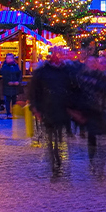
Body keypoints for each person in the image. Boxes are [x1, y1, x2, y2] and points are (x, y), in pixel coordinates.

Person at [28, 48, 75, 178]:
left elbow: (73, 89)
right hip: (47, 108)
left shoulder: (67, 71)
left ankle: (57, 158)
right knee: (50, 136)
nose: (57, 57)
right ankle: (54, 160)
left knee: (58, 135)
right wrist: (35, 107)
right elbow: (34, 91)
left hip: (61, 108)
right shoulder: (42, 72)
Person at [76, 56, 106, 178]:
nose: (93, 65)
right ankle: (93, 162)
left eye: (94, 62)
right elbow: (78, 93)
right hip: (89, 112)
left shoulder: (102, 76)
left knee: (102, 141)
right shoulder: (81, 77)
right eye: (90, 63)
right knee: (92, 139)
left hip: (101, 111)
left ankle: (101, 168)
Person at [0, 54, 22, 119]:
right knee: (7, 100)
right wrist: (8, 82)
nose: (9, 59)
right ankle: (8, 113)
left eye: (10, 58)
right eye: (7, 58)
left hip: (15, 85)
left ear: (13, 59)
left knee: (14, 99)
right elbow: (4, 76)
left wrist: (18, 81)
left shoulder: (16, 66)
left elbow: (19, 74)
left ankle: (14, 112)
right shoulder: (4, 67)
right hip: (7, 86)